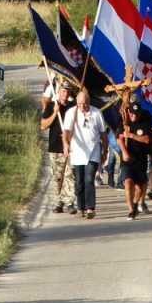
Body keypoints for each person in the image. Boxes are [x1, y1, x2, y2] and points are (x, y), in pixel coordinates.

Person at [62, 90, 108, 219]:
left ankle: (90, 208)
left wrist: (105, 150)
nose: (83, 106)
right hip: (77, 152)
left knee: (89, 179)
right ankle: (81, 207)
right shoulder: (71, 113)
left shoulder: (97, 113)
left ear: (89, 101)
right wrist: (66, 144)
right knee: (79, 182)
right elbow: (66, 131)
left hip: (93, 151)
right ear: (77, 101)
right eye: (80, 103)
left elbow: (103, 133)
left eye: (85, 103)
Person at [40, 80, 78, 215]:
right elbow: (44, 125)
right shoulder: (51, 106)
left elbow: (77, 126)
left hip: (69, 146)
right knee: (57, 176)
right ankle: (59, 201)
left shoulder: (73, 107)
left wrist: (69, 134)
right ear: (58, 92)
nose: (65, 94)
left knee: (69, 174)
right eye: (63, 91)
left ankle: (70, 201)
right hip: (55, 146)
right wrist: (55, 113)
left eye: (68, 91)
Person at [118, 102, 152, 220]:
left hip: (141, 158)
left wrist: (132, 135)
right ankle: (131, 210)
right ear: (128, 112)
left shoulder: (144, 122)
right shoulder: (124, 123)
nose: (134, 116)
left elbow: (147, 139)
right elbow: (119, 139)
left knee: (139, 187)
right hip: (128, 158)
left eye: (137, 114)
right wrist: (124, 151)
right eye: (132, 114)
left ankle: (136, 202)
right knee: (128, 182)